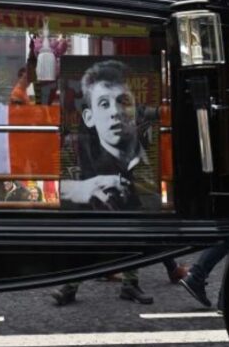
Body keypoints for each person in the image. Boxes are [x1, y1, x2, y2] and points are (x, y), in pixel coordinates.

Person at [52, 60, 157, 305]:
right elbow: (56, 185)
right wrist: (84, 188)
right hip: (94, 210)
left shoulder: (146, 148)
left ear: (134, 108)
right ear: (89, 117)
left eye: (123, 102)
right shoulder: (76, 146)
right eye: (104, 104)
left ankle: (130, 284)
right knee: (88, 237)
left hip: (132, 207)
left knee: (134, 234)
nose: (114, 111)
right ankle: (70, 286)